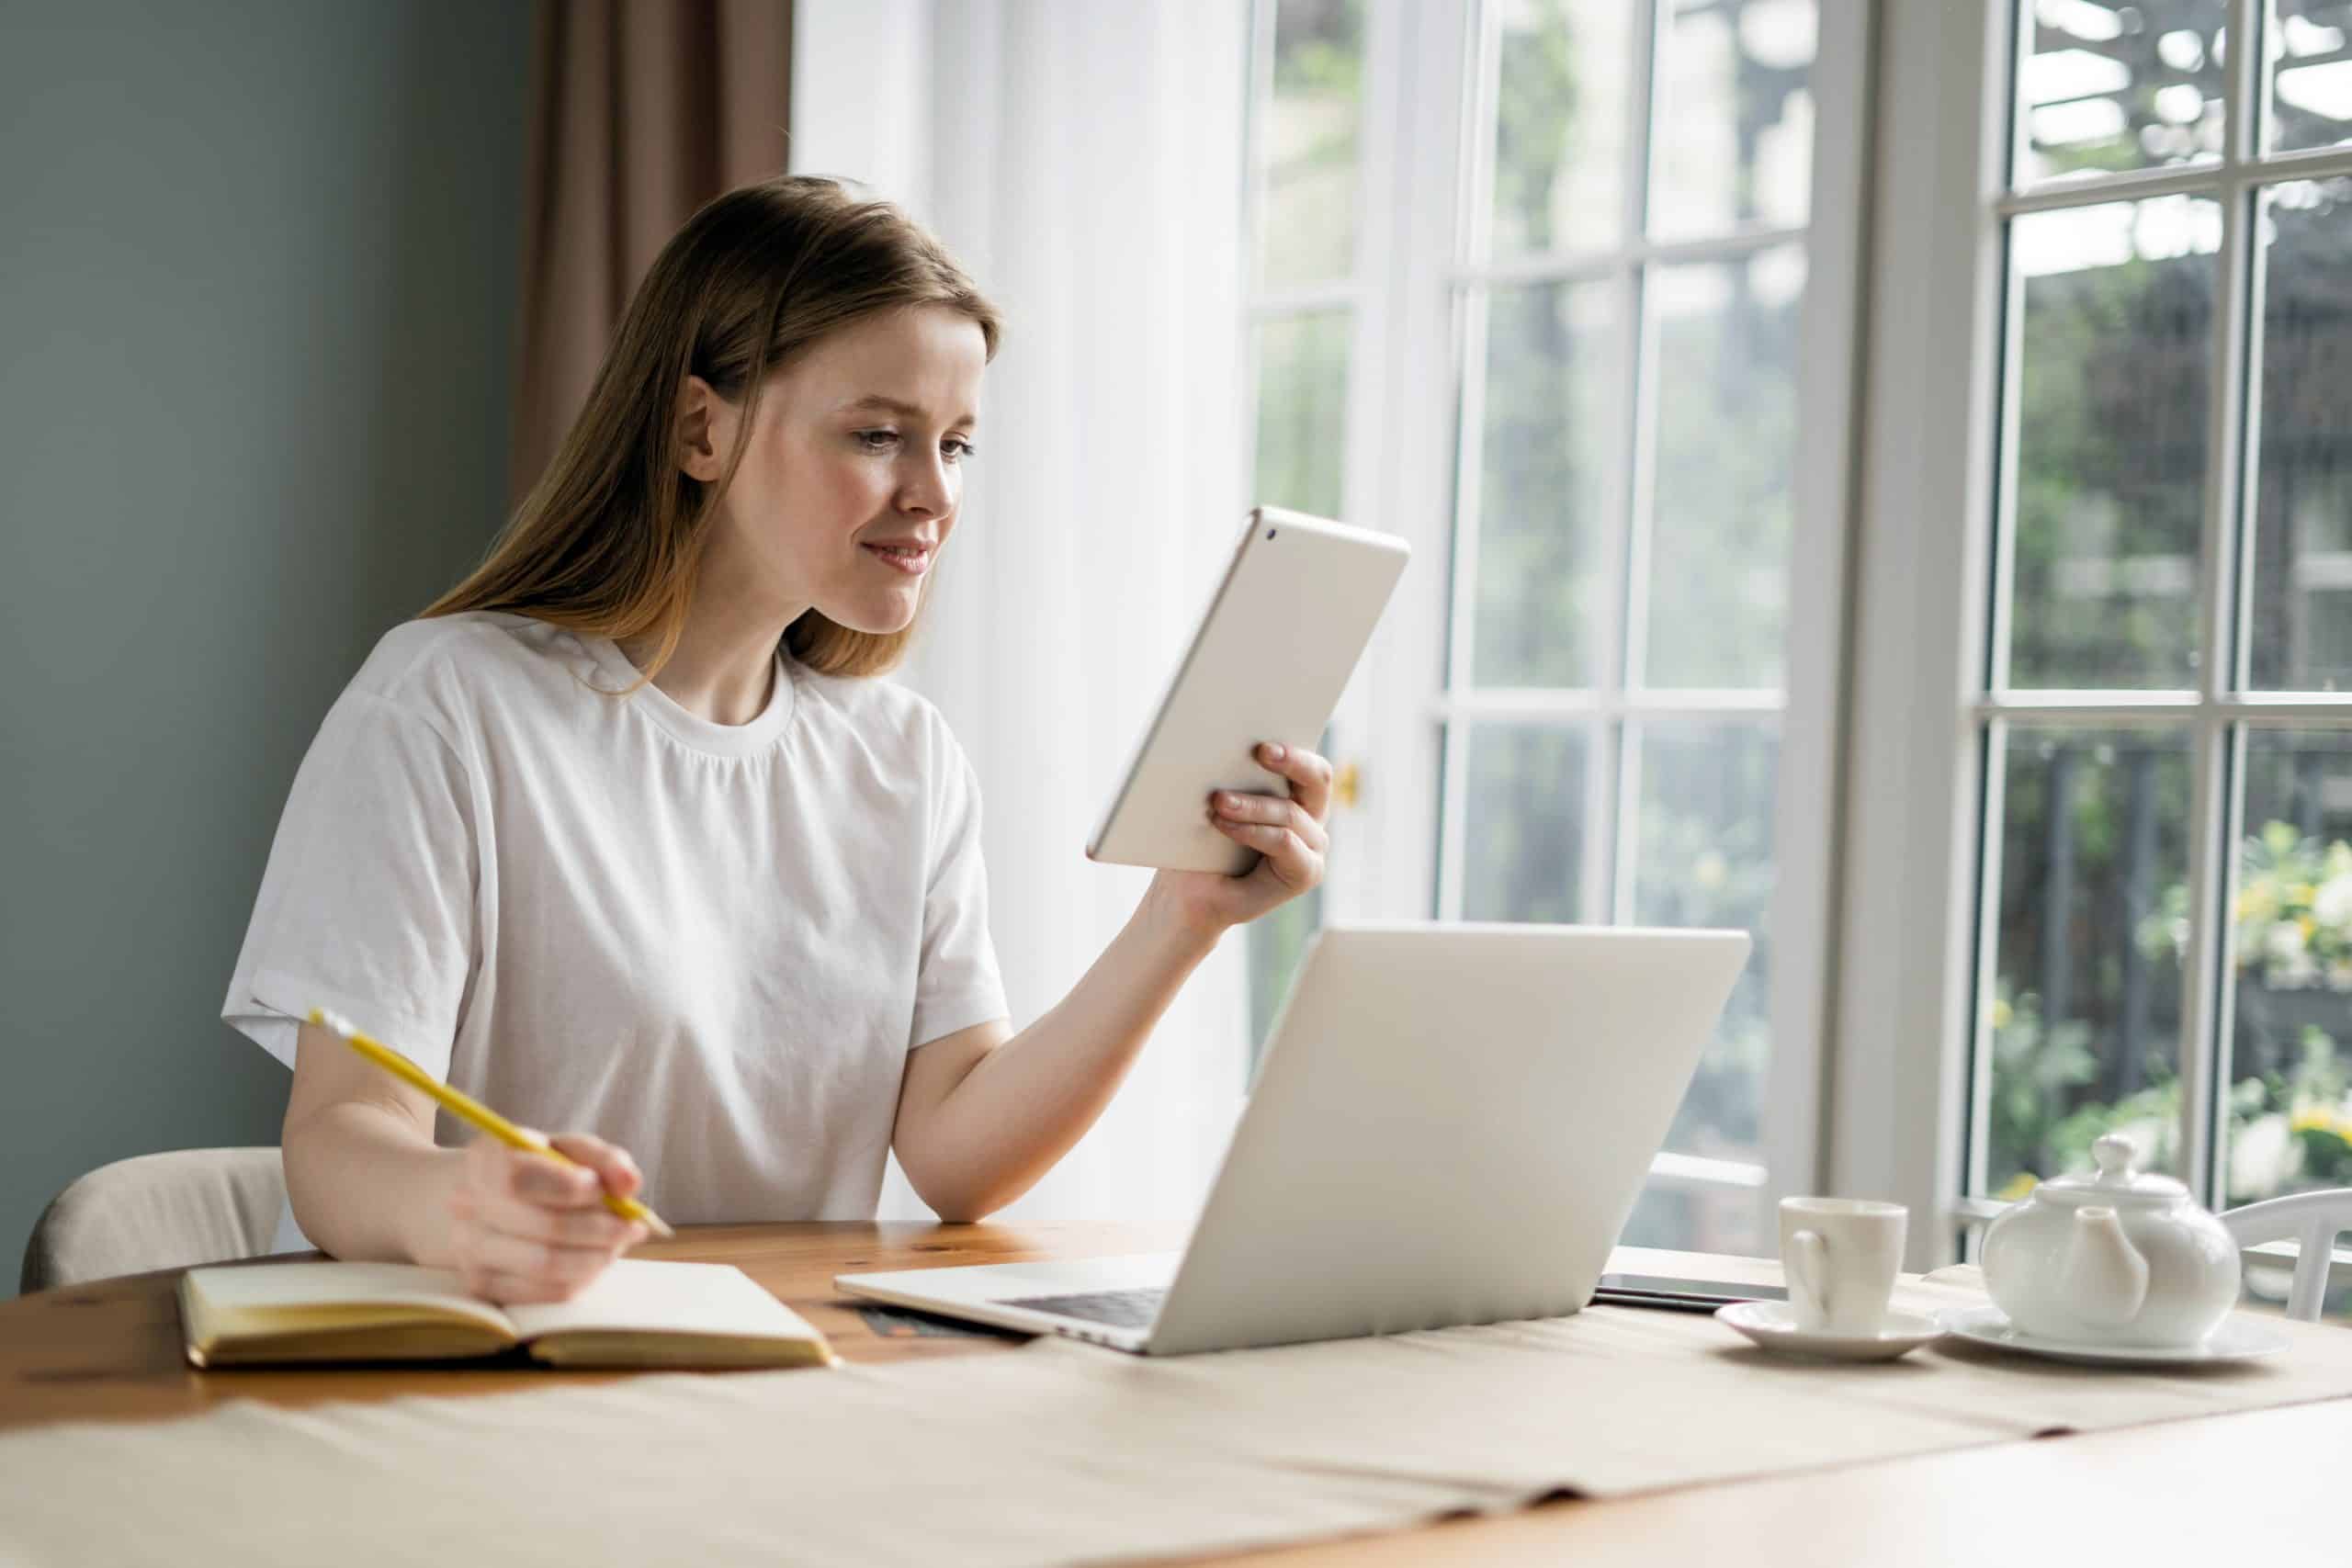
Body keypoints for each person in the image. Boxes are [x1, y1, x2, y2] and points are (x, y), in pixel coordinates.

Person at [221, 175, 1331, 1305]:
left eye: (956, 445)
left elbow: (957, 1159)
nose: (933, 494)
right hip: (485, 1364)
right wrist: (458, 1210)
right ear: (702, 427)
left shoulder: (905, 761)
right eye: (878, 435)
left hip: (768, 1375)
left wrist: (1179, 920)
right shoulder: (448, 703)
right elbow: (342, 1134)